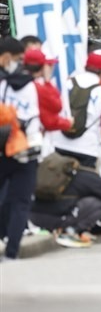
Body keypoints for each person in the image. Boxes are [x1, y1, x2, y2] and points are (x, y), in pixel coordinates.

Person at [0, 37, 41, 260]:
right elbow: (37, 117)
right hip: (26, 147)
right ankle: (12, 251)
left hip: (3, 145)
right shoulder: (32, 86)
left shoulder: (3, 82)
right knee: (21, 201)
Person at [30, 163, 101, 248]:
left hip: (34, 217)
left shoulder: (60, 173)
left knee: (68, 200)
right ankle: (70, 232)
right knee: (100, 204)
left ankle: (59, 230)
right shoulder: (92, 178)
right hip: (59, 218)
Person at [51, 49, 101, 169]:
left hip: (59, 142)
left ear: (86, 65)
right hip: (86, 147)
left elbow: (55, 106)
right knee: (82, 185)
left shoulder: (68, 82)